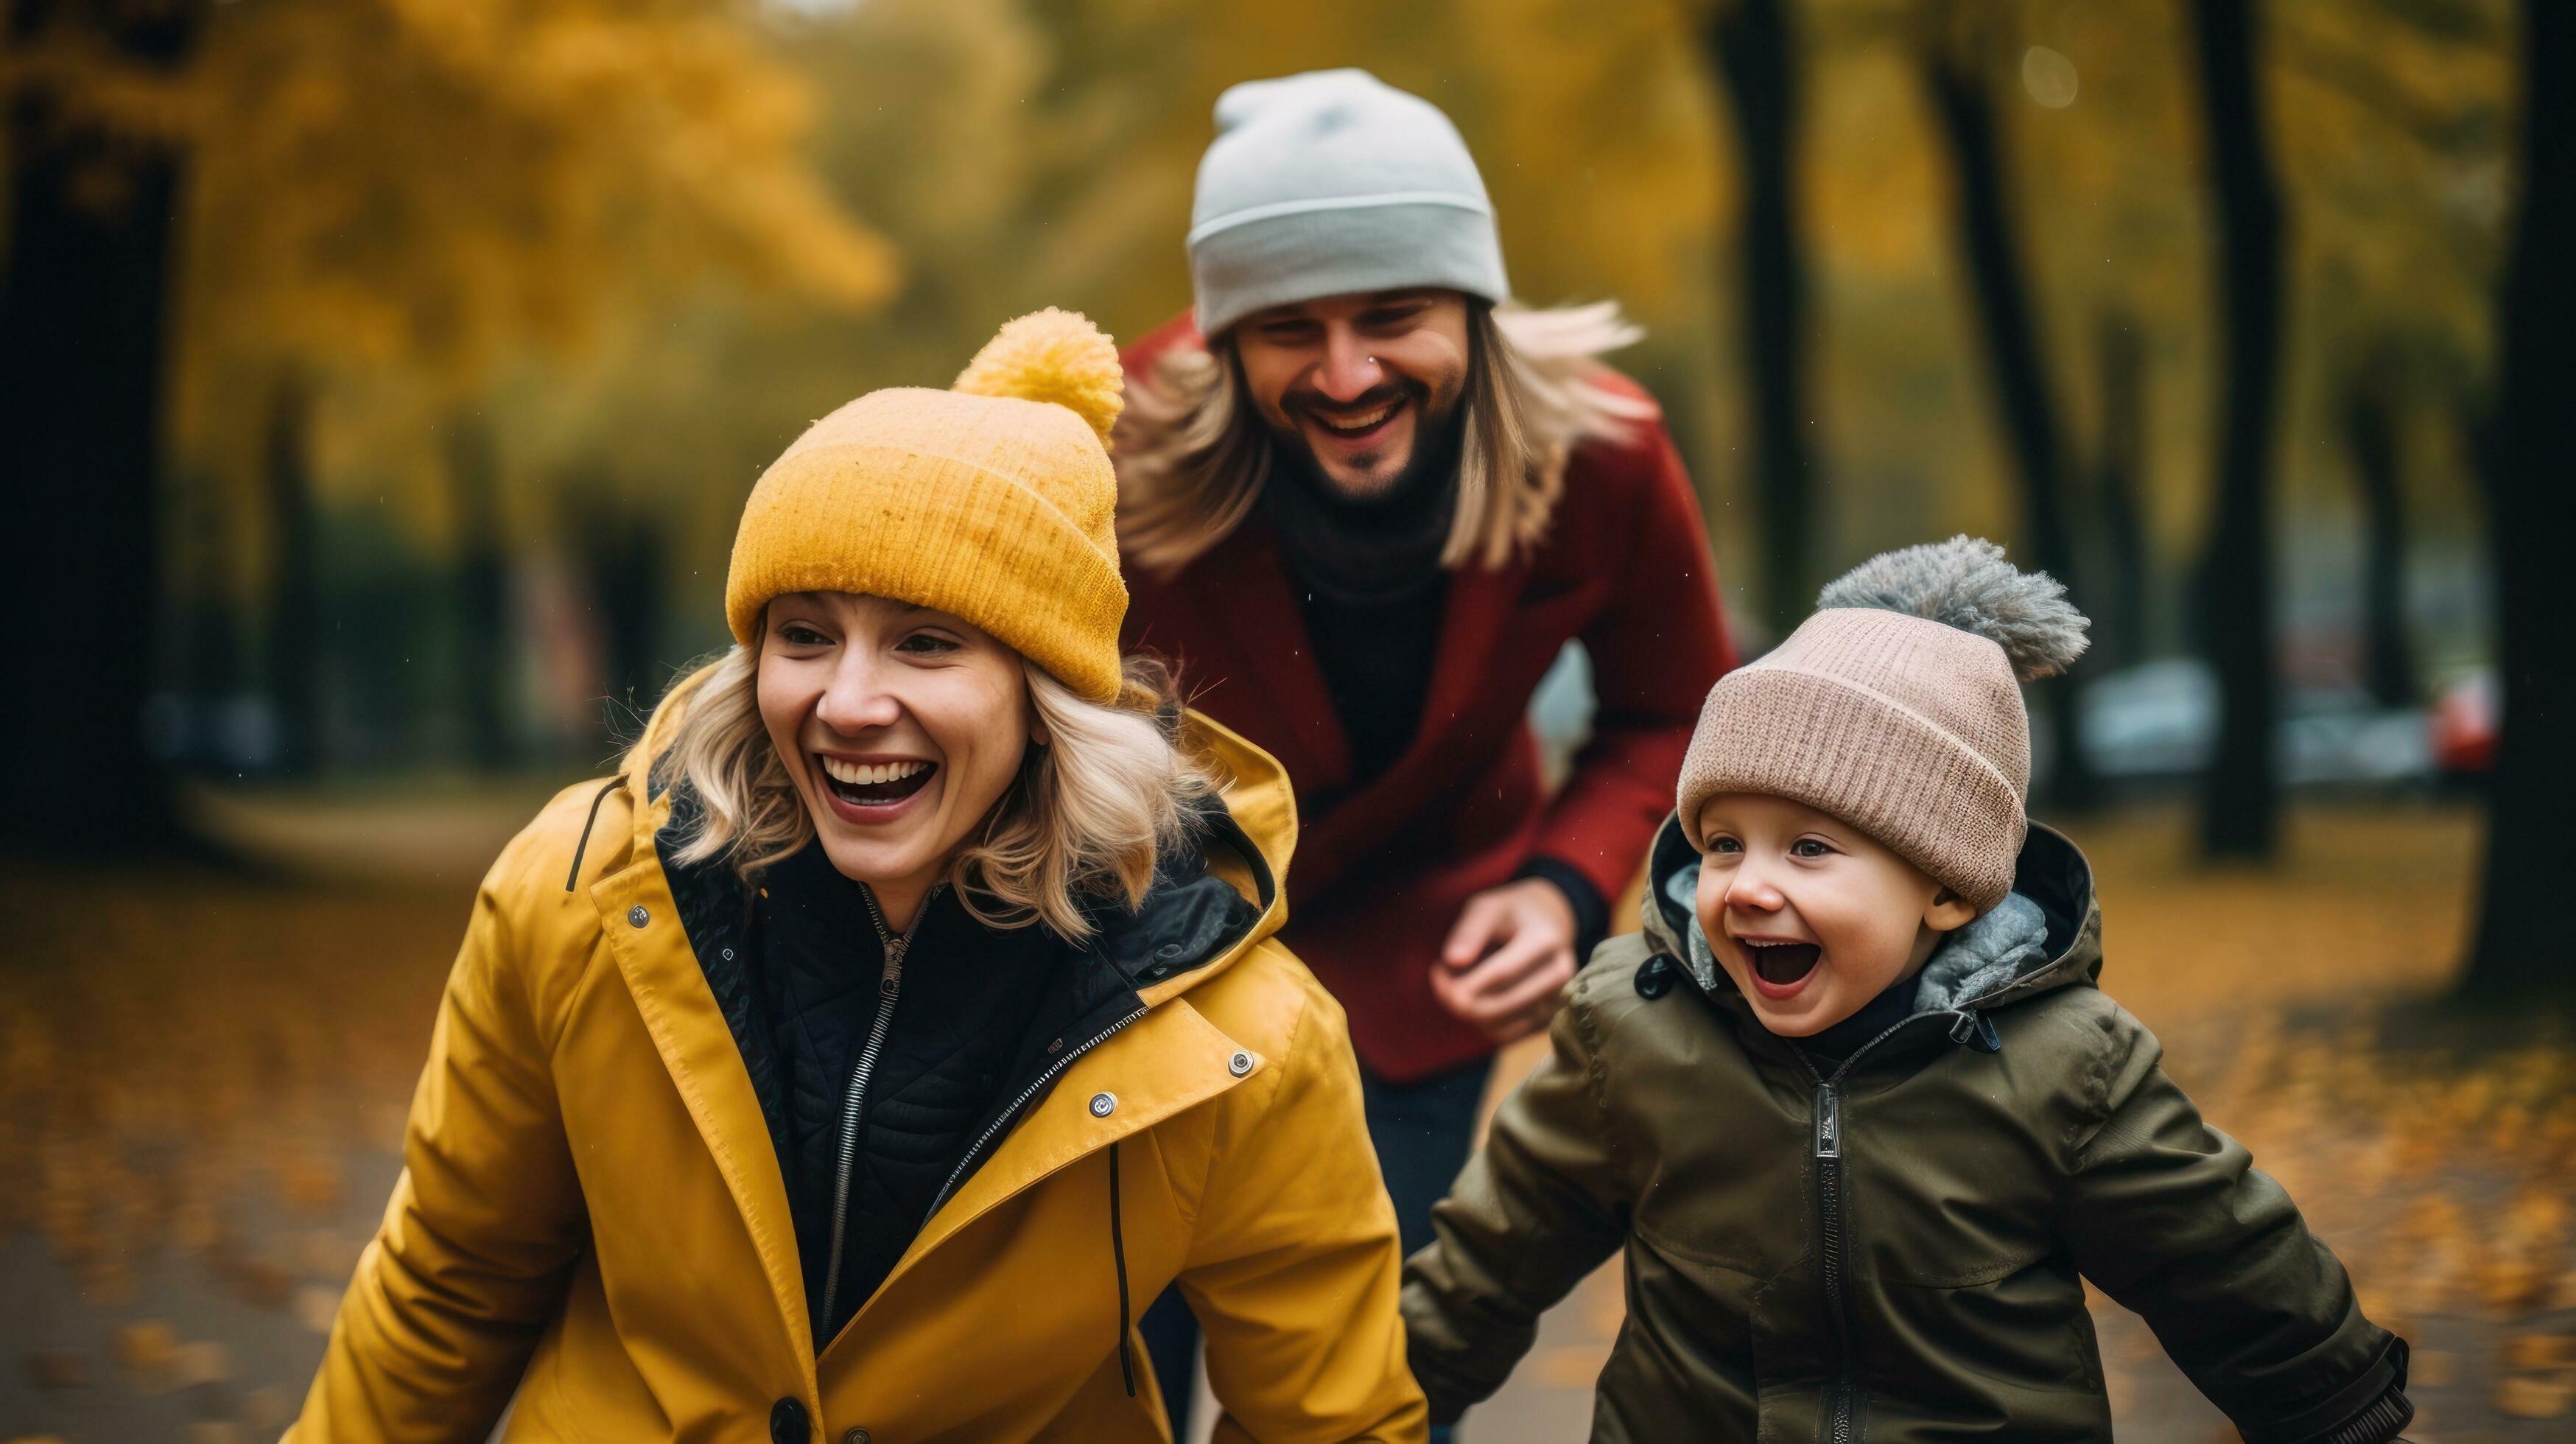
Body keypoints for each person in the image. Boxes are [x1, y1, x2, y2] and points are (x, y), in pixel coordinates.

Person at [288, 310, 1427, 1443]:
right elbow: (450, 1284)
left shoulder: (1241, 1041)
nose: (848, 703)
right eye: (805, 634)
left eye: (927, 642)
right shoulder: (575, 897)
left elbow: (1333, 1425)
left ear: (1047, 695)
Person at [1400, 537, 2417, 1441]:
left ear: (1943, 887)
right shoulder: (1636, 1025)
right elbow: (1499, 1247)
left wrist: (2340, 1413)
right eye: (1721, 843)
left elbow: (2225, 1267)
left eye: (1808, 849)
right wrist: (1380, 1403)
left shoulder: (2064, 1066)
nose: (1748, 884)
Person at [1114, 69, 1736, 1424]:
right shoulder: (1103, 444)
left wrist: (1564, 887)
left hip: (1417, 970)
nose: (1345, 376)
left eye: (1392, 318)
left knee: (1373, 1373)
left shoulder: (1606, 456)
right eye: (1288, 330)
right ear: (1228, 340)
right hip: (1128, 975)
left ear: (1473, 306)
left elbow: (1679, 706)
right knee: (1104, 1374)